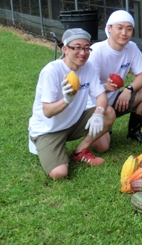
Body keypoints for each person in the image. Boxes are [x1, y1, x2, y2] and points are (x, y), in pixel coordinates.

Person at [28, 28, 116, 180]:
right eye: (77, 47)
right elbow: (47, 111)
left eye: (87, 48)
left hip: (73, 123)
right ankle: (41, 144)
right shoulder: (52, 71)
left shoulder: (87, 67)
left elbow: (100, 94)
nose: (83, 52)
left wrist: (98, 112)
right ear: (65, 49)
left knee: (108, 112)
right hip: (48, 129)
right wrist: (67, 100)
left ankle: (79, 152)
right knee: (59, 173)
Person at [87, 9, 142, 150]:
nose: (124, 33)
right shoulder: (96, 51)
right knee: (102, 147)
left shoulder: (131, 47)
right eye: (120, 28)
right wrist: (106, 88)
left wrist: (128, 89)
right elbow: (87, 87)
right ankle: (99, 124)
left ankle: (134, 132)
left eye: (129, 29)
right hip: (95, 105)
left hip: (117, 99)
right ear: (109, 28)